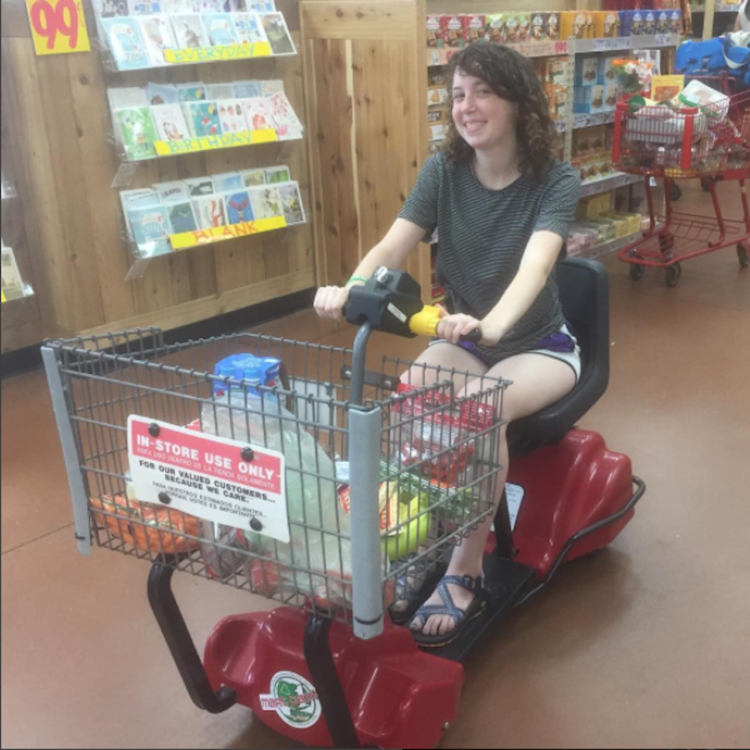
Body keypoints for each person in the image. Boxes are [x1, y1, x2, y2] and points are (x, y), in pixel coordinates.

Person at [314, 43, 582, 647]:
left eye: (483, 92)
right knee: (409, 400)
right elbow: (390, 247)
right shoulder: (443, 172)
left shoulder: (556, 181)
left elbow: (533, 271)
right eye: (458, 94)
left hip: (541, 345)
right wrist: (351, 288)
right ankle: (419, 538)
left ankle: (464, 569)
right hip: (468, 338)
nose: (467, 106)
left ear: (517, 102)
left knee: (478, 412)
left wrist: (487, 323)